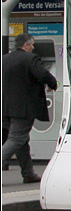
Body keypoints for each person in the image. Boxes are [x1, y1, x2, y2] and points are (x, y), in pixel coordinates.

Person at [3, 34, 58, 184]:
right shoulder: (30, 59)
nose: (33, 47)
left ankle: (28, 174)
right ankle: (27, 173)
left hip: (5, 108)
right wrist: (54, 84)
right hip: (23, 108)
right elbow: (43, 74)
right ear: (26, 45)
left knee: (21, 140)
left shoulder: (4, 59)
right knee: (16, 139)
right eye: (32, 45)